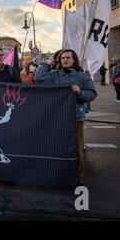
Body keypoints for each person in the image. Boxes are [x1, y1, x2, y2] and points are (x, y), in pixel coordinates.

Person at [35, 49, 97, 185]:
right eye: (62, 58)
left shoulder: (82, 76)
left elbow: (92, 94)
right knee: (56, 146)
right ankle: (57, 174)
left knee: (77, 148)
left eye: (68, 57)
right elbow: (38, 79)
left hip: (75, 117)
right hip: (56, 117)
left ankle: (79, 177)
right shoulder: (54, 75)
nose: (65, 60)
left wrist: (80, 92)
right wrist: (47, 64)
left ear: (74, 60)